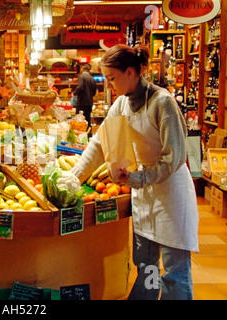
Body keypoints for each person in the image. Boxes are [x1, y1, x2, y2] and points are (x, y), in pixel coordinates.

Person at [71, 44, 199, 300]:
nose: (108, 85)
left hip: (171, 195)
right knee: (146, 267)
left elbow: (173, 158)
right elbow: (100, 143)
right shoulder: (121, 104)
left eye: (111, 78)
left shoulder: (162, 103)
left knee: (174, 272)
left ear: (130, 72)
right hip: (144, 195)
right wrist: (74, 177)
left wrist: (139, 179)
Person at [72, 63, 97, 130]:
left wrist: (75, 93)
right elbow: (94, 92)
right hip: (89, 103)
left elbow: (80, 87)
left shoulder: (81, 76)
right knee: (87, 121)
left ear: (82, 69)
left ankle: (80, 138)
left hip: (81, 103)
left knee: (79, 122)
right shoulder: (92, 78)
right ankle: (88, 136)